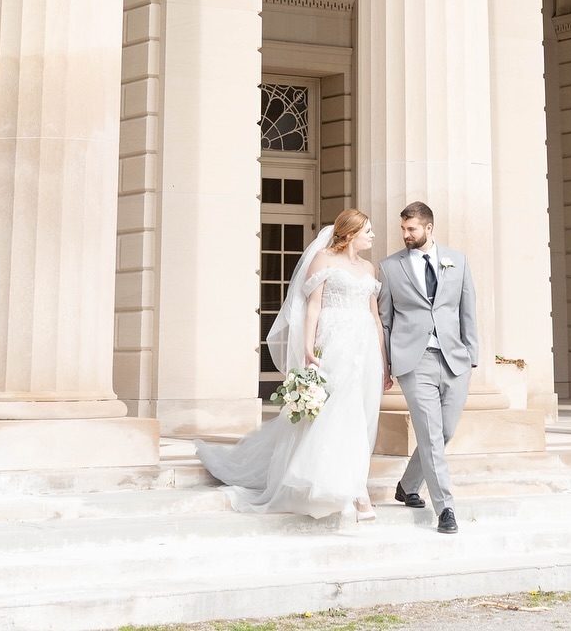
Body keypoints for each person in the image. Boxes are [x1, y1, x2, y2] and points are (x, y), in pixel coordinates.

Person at [194, 208, 387, 520]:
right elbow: (312, 307)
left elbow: (375, 317)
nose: (373, 236)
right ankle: (356, 493)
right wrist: (309, 349)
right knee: (340, 412)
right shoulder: (323, 259)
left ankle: (352, 484)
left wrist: (383, 361)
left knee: (362, 416)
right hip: (334, 344)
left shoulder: (368, 268)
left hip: (364, 347)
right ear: (350, 233)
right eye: (368, 231)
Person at [377, 201, 478, 536]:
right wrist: (387, 364)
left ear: (428, 228)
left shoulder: (458, 260)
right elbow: (386, 321)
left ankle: (407, 485)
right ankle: (445, 508)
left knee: (445, 432)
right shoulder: (390, 267)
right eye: (403, 229)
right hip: (413, 361)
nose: (406, 235)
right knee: (431, 437)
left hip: (455, 359)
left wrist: (471, 356)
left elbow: (468, 310)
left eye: (412, 229)